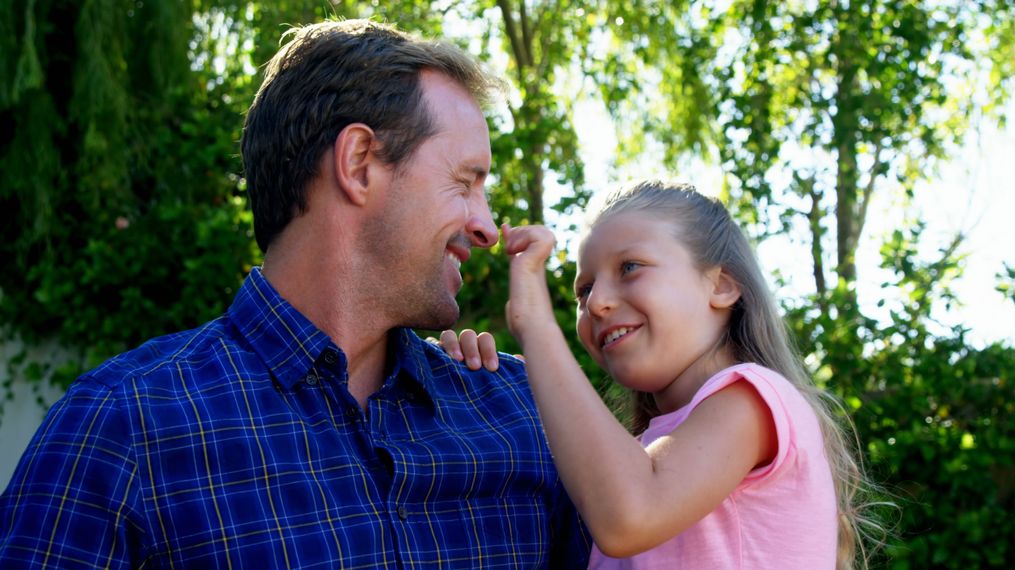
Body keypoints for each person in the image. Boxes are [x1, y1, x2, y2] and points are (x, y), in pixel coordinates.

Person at [0, 19, 589, 568]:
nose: (487, 227)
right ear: (359, 163)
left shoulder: (521, 414)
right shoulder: (121, 430)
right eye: (464, 183)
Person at [446, 180, 882, 568]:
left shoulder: (754, 399)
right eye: (585, 289)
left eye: (630, 267)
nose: (596, 303)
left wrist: (537, 327)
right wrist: (469, 385)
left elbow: (630, 517)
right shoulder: (640, 457)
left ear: (722, 285)